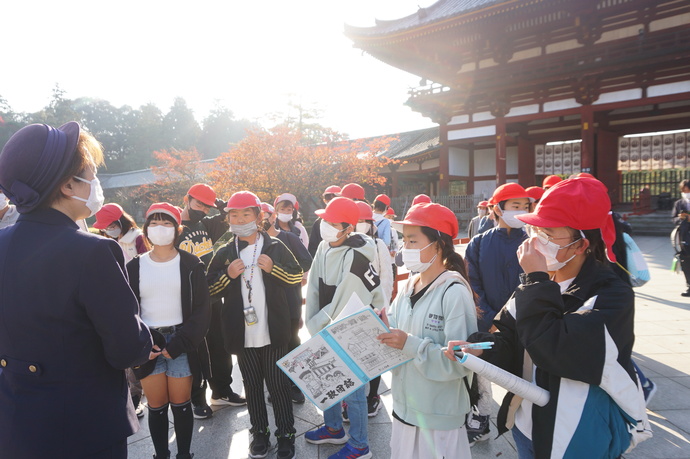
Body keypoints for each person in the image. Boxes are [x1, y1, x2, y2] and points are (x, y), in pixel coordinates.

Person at [446, 177, 651, 458]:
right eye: (535, 229)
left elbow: (554, 350)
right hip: (526, 422)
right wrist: (479, 349)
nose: (536, 240)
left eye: (549, 233)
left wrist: (537, 280)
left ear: (582, 245)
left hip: (576, 430)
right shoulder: (537, 283)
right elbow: (511, 338)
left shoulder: (610, 295)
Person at [0, 122, 152, 458]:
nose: (96, 182)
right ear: (69, 185)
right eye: (92, 173)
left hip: (16, 424)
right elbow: (128, 350)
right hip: (85, 429)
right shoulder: (92, 251)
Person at [207, 191, 303, 459]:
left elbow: (296, 276)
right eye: (234, 215)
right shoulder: (225, 251)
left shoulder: (274, 246)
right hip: (242, 332)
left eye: (245, 214)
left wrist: (275, 269)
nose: (239, 219)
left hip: (274, 330)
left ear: (258, 217)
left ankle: (286, 434)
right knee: (251, 386)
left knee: (278, 386)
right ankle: (259, 433)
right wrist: (228, 275)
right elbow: (209, 289)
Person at [380, 202, 478, 459]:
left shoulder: (454, 292)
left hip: (438, 417)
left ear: (438, 244)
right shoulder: (408, 285)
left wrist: (408, 344)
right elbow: (393, 328)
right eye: (405, 241)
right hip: (404, 408)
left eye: (413, 241)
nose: (405, 248)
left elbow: (461, 363)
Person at [127, 202, 211, 459]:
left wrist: (179, 343)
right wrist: (143, 342)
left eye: (166, 223)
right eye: (154, 223)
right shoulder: (134, 267)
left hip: (181, 340)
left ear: (177, 229)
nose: (160, 229)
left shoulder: (191, 264)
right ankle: (161, 454)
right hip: (148, 342)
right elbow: (127, 310)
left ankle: (184, 454)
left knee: (181, 404)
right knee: (157, 405)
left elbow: (202, 310)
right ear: (145, 229)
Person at [304, 197, 386, 459]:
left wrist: (318, 326)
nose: (325, 226)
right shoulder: (325, 246)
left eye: (332, 222)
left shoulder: (357, 256)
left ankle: (361, 444)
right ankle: (333, 427)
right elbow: (314, 288)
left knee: (352, 388)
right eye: (324, 220)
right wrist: (313, 322)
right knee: (329, 380)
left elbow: (345, 299)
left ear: (348, 228)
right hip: (326, 323)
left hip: (351, 325)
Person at [464, 182, 532, 445]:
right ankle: (480, 421)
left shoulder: (532, 243)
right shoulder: (479, 243)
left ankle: (529, 422)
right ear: (497, 209)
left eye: (525, 206)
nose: (521, 211)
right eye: (515, 206)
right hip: (488, 321)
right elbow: (473, 283)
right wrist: (491, 319)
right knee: (481, 371)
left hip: (524, 323)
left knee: (525, 376)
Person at [178, 183, 245, 419]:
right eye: (198, 204)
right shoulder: (174, 227)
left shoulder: (206, 223)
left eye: (207, 207)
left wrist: (218, 204)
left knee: (220, 345)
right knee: (195, 352)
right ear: (186, 199)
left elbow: (229, 217)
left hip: (213, 295)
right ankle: (197, 399)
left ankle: (222, 391)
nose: (202, 210)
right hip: (188, 300)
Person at [262, 202, 313, 404]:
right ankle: (276, 387)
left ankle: (294, 386)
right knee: (272, 347)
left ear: (272, 217)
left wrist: (281, 269)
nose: (262, 220)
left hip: (289, 302)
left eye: (265, 215)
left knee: (292, 343)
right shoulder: (255, 242)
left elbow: (306, 261)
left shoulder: (289, 238)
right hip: (266, 305)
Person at [349, 200, 393, 417]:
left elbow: (387, 278)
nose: (359, 224)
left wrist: (383, 308)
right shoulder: (344, 246)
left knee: (374, 355)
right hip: (350, 309)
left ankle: (373, 395)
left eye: (363, 221)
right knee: (352, 354)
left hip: (375, 308)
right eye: (355, 221)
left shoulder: (378, 245)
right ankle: (351, 399)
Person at [309, 185, 341, 257]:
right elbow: (313, 247)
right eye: (328, 197)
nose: (331, 200)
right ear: (324, 200)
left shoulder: (347, 220)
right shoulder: (319, 222)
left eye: (335, 197)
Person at [672, 179, 690, 297]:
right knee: (686, 262)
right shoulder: (679, 203)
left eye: (687, 190)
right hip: (684, 238)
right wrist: (680, 217)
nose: (685, 192)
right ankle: (689, 285)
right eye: (683, 190)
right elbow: (673, 219)